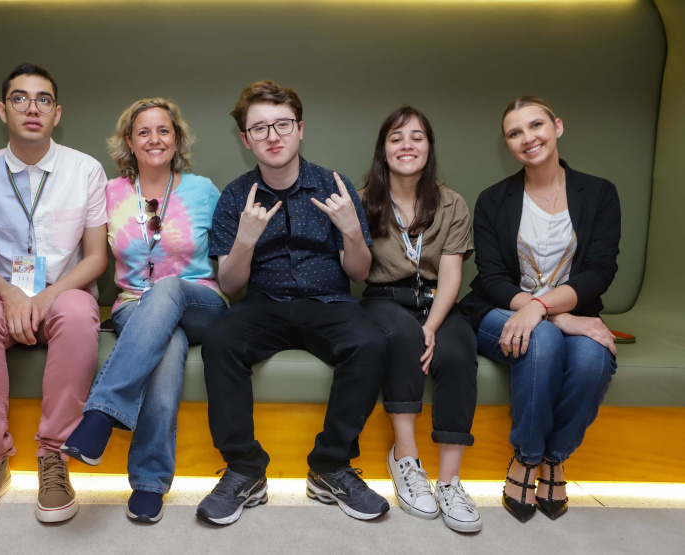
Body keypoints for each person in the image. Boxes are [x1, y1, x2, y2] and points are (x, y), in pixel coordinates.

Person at [196, 80, 390, 526]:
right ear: (246, 141)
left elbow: (360, 272)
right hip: (264, 302)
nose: (273, 135)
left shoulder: (333, 186)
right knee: (221, 337)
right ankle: (244, 469)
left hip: (328, 301)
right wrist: (244, 242)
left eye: (282, 124)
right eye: (260, 128)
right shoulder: (236, 196)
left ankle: (330, 467)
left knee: (370, 342)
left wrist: (352, 231)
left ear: (300, 129)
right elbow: (229, 285)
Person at [0, 63, 109, 526]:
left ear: (57, 113)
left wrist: (45, 296)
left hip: (65, 292)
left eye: (42, 100)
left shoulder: (85, 170)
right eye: (20, 99)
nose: (31, 108)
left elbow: (95, 257)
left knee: (80, 314)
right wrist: (12, 296)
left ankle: (54, 456)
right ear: (3, 110)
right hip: (1, 295)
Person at [60, 98, 227, 523]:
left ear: (177, 139)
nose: (155, 139)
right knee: (166, 344)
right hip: (135, 306)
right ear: (129, 143)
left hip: (200, 301)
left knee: (170, 287)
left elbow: (232, 261)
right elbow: (91, 254)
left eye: (163, 130)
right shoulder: (110, 192)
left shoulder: (203, 189)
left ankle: (100, 414)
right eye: (144, 132)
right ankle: (150, 482)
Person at [461, 96, 620, 523]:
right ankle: (526, 458)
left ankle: (555, 458)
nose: (527, 138)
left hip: (570, 310)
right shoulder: (493, 200)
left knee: (593, 359)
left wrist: (545, 307)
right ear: (508, 144)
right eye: (515, 133)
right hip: (499, 311)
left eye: (536, 126)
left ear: (557, 127)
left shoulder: (600, 193)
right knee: (543, 339)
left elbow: (599, 271)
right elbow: (492, 278)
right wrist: (544, 313)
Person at [358, 106, 481, 532]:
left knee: (460, 348)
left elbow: (451, 276)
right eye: (396, 138)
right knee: (402, 337)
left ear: (429, 147)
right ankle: (405, 460)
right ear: (383, 149)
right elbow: (354, 269)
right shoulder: (364, 202)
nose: (406, 145)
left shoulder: (452, 203)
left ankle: (450, 481)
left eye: (416, 137)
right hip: (384, 298)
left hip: (438, 300)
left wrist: (432, 326)